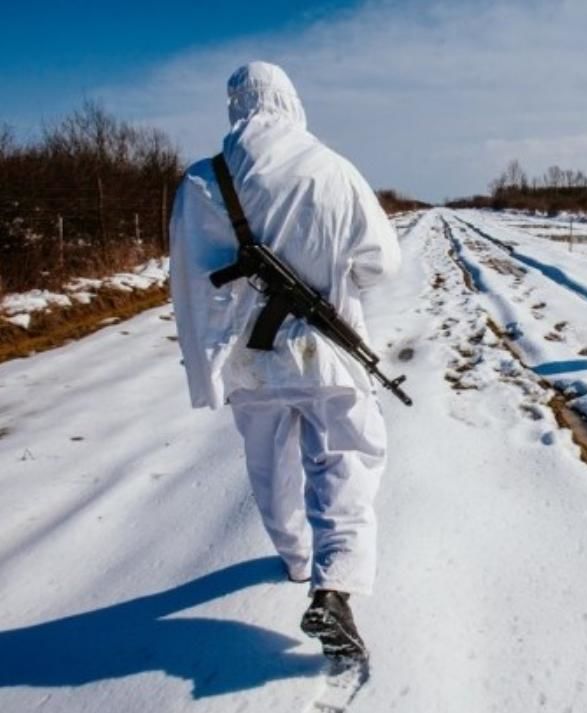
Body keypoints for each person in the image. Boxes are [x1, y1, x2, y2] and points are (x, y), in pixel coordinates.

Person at [169, 61, 401, 663]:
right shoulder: (333, 169)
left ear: (236, 106)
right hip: (325, 356)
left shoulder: (199, 184)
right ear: (290, 103)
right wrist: (334, 269)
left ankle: (297, 559)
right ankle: (337, 584)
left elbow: (186, 281)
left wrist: (210, 354)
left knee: (269, 467)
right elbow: (381, 263)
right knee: (345, 461)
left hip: (248, 360)